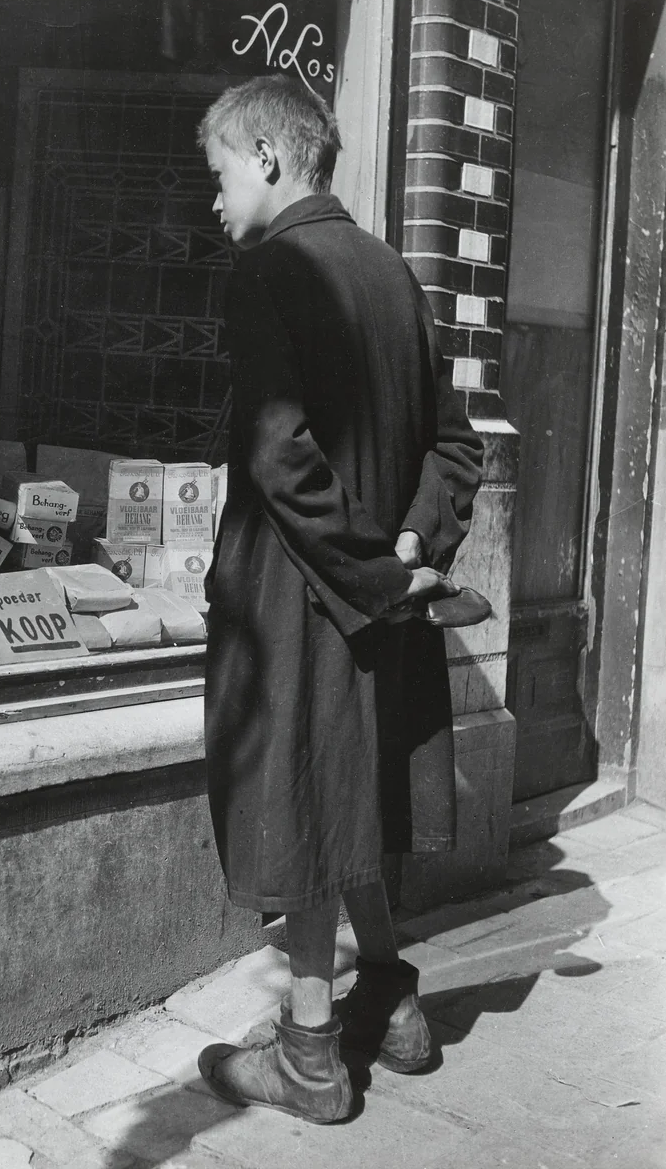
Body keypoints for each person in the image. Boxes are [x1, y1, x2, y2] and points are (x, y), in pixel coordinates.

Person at [195, 75, 483, 1124]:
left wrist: (368, 566)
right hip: (376, 590)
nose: (215, 200)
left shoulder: (270, 269)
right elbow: (458, 444)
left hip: (304, 592)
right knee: (353, 791)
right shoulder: (392, 272)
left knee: (305, 805)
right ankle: (393, 1000)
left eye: (219, 172)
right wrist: (413, 542)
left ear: (268, 159)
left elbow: (276, 454)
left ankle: (307, 1052)